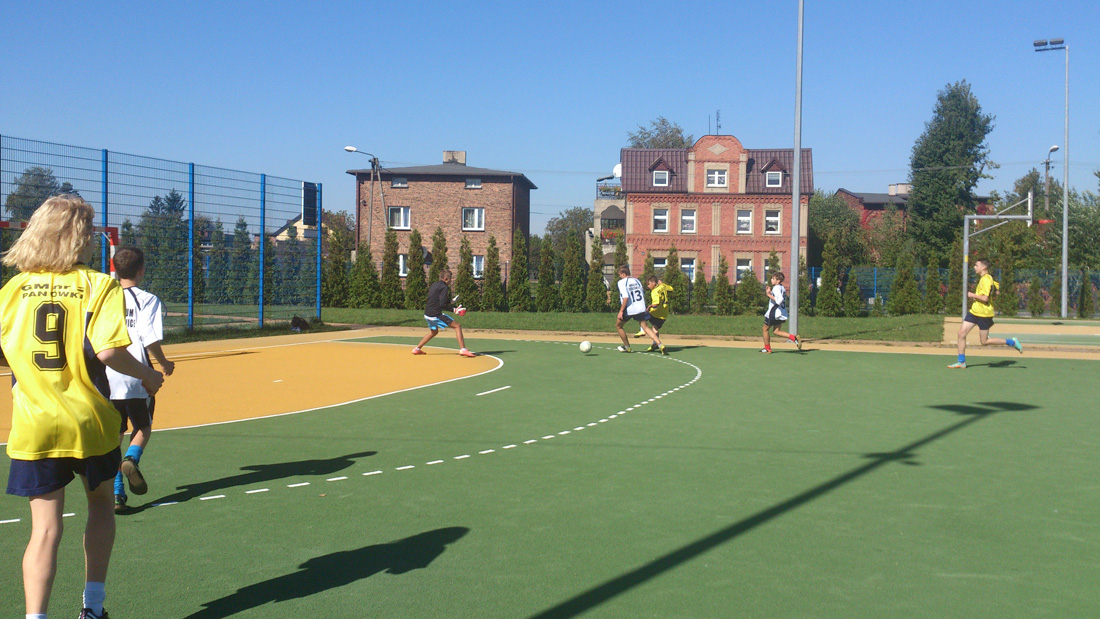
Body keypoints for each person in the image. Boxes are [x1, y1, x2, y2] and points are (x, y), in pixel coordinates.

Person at [1, 195, 164, 619]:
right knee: (100, 505)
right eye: (89, 231)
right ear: (77, 236)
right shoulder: (98, 285)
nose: (93, 239)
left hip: (34, 424)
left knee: (43, 530)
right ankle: (92, 608)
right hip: (89, 421)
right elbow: (109, 352)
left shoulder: (12, 289)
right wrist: (147, 376)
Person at [106, 246, 175, 513]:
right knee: (143, 427)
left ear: (115, 269)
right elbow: (149, 338)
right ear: (141, 270)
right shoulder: (147, 299)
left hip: (107, 376)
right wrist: (164, 363)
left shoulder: (105, 297)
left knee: (114, 435)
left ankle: (117, 493)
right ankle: (131, 460)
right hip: (137, 376)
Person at [948, 258, 1023, 368]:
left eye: (976, 265)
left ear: (984, 267)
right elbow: (997, 288)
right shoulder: (985, 279)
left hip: (984, 314)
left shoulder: (987, 279)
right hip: (974, 312)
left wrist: (972, 295)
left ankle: (1012, 342)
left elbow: (985, 298)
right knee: (961, 334)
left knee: (984, 341)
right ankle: (961, 361)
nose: (974, 267)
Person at [412, 269, 476, 357]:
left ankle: (417, 349)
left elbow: (437, 299)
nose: (451, 281)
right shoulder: (444, 287)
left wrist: (451, 302)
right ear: (446, 278)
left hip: (427, 314)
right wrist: (454, 310)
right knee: (457, 326)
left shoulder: (435, 284)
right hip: (435, 315)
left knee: (434, 332)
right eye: (450, 279)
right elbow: (442, 304)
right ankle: (463, 349)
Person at [615, 265, 666, 354]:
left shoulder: (621, 282)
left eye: (620, 275)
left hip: (629, 308)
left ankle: (627, 347)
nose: (620, 277)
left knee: (618, 326)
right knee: (645, 327)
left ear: (623, 274)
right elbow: (642, 293)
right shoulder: (637, 281)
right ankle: (660, 344)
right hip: (640, 307)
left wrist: (621, 311)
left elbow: (626, 297)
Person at [761, 271, 802, 353]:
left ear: (778, 280)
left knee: (765, 329)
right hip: (781, 313)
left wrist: (768, 295)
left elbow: (779, 300)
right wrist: (771, 293)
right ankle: (793, 338)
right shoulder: (781, 287)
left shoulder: (776, 288)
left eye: (773, 278)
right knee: (776, 331)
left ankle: (767, 348)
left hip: (774, 313)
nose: (771, 280)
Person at [633, 276, 673, 344]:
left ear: (653, 283)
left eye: (648, 284)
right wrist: (662, 284)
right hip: (664, 313)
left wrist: (649, 306)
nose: (648, 286)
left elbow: (656, 303)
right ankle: (656, 343)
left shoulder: (655, 291)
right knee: (655, 327)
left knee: (641, 316)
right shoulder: (662, 286)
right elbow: (671, 288)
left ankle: (642, 330)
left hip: (656, 312)